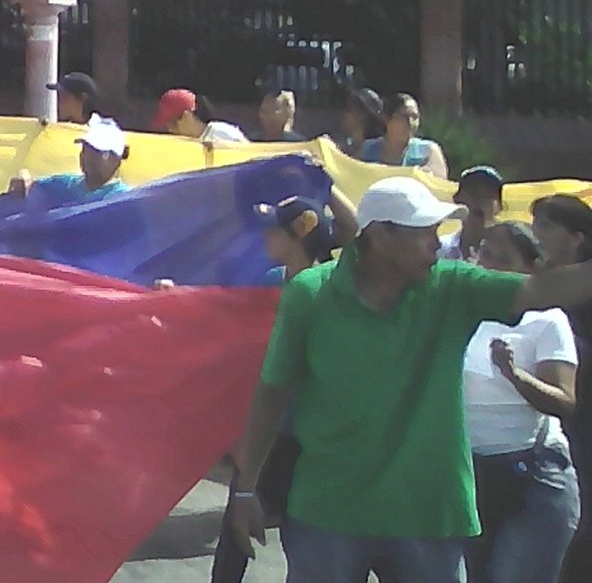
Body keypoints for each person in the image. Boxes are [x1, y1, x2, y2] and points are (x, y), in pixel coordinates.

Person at [229, 177, 592, 580]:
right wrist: (246, 489)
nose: (438, 243)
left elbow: (542, 289)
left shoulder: (453, 287)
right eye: (426, 233)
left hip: (430, 517)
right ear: (381, 236)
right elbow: (272, 394)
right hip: (328, 514)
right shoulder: (310, 294)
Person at [210, 196, 337, 583]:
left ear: (297, 237)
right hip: (266, 428)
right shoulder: (270, 281)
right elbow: (227, 321)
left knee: (306, 541)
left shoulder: (329, 290)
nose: (266, 234)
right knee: (234, 534)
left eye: (276, 228)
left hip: (306, 435)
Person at [465, 221, 580, 583]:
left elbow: (564, 401)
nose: (490, 264)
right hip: (468, 475)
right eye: (486, 253)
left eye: (504, 258)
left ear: (531, 270)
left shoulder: (547, 320)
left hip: (532, 477)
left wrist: (514, 373)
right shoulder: (460, 311)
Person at [532, 195, 592, 583]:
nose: (536, 234)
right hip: (544, 420)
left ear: (575, 238)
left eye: (545, 227)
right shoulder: (532, 285)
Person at [14, 116, 131, 208]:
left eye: (98, 152)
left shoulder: (124, 198)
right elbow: (31, 186)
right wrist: (24, 180)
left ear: (116, 159)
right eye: (86, 149)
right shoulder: (66, 184)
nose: (88, 156)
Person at [361, 93, 451, 179]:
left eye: (414, 117)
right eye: (403, 117)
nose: (410, 122)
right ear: (386, 119)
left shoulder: (428, 151)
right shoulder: (367, 149)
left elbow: (439, 183)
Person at [445, 167, 508, 262]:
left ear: (499, 207)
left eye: (488, 195)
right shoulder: (440, 249)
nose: (480, 201)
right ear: (458, 199)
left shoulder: (507, 255)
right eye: (473, 193)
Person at [154, 87, 249, 144]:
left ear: (186, 116)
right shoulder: (186, 144)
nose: (170, 130)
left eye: (172, 124)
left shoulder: (223, 135)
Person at [338, 87, 388, 158]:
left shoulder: (378, 149)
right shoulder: (347, 145)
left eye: (348, 109)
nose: (343, 114)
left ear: (361, 115)